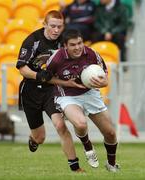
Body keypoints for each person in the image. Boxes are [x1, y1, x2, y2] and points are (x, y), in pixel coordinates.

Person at [16, 10, 84, 172]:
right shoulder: (32, 41)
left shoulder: (64, 41)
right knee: (40, 138)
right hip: (31, 90)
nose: (56, 30)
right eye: (52, 26)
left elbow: (77, 55)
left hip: (52, 89)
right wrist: (39, 75)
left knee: (60, 125)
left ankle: (75, 167)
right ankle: (33, 139)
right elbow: (22, 69)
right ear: (44, 24)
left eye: (59, 27)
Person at [46, 29, 120, 172]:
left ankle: (111, 164)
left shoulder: (91, 53)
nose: (78, 47)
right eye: (73, 45)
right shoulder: (56, 59)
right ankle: (88, 147)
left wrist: (104, 82)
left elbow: (104, 73)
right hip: (67, 95)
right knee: (80, 124)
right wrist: (67, 83)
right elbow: (46, 78)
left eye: (80, 43)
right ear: (65, 46)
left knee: (110, 133)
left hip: (90, 93)